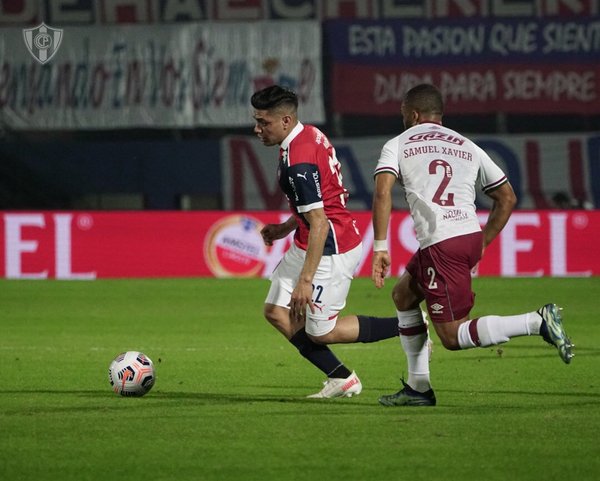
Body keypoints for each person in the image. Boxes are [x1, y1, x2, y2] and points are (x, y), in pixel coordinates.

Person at [371, 83, 574, 407]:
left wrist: (380, 246)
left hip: (442, 244)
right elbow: (506, 197)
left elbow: (382, 193)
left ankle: (536, 321)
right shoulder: (468, 145)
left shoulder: (398, 143)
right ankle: (418, 388)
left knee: (452, 336)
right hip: (464, 236)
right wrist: (484, 243)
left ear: (412, 114)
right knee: (404, 295)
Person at [251, 85, 400, 398]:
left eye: (263, 122)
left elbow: (320, 222)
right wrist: (284, 229)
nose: (257, 128)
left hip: (331, 247)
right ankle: (341, 377)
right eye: (257, 120)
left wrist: (306, 279)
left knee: (323, 333)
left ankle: (409, 326)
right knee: (276, 310)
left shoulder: (298, 163)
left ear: (286, 121)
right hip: (310, 239)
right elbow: (318, 204)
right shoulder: (308, 135)